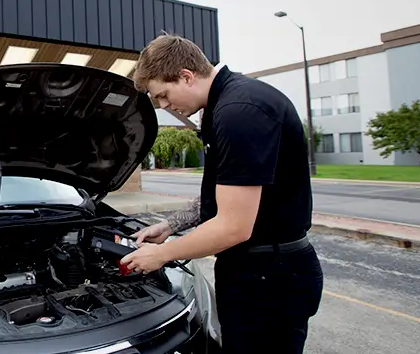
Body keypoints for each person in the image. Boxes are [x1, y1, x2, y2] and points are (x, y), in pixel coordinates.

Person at [120, 34, 324, 353]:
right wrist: (170, 227)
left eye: (162, 94)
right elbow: (231, 192)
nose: (162, 105)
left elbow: (233, 226)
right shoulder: (227, 105)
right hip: (260, 272)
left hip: (270, 279)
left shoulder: (239, 111)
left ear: (186, 76)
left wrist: (161, 255)